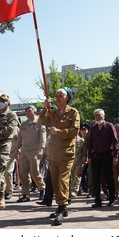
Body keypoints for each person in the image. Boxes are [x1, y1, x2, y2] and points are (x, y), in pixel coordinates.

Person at [38, 87, 80, 226]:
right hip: (53, 153)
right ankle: (63, 206)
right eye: (56, 95)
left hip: (66, 153)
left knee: (63, 180)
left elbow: (74, 131)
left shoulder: (73, 112)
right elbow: (41, 122)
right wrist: (45, 108)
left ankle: (61, 208)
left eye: (61, 95)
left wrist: (59, 132)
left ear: (67, 97)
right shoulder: (52, 113)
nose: (58, 97)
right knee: (55, 181)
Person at [13, 105, 46, 203]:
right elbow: (19, 139)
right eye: (26, 110)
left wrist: (41, 149)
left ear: (35, 111)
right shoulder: (23, 124)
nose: (27, 112)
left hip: (34, 151)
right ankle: (25, 194)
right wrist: (16, 150)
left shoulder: (40, 123)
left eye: (29, 110)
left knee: (34, 172)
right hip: (24, 151)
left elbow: (42, 138)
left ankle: (42, 189)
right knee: (23, 173)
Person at [88, 108, 118, 208]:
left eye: (99, 115)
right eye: (96, 115)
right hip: (96, 156)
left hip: (107, 155)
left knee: (109, 177)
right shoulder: (93, 128)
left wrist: (115, 156)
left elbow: (115, 141)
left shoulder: (110, 126)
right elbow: (90, 143)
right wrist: (89, 157)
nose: (98, 117)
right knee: (96, 179)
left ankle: (112, 198)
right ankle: (98, 200)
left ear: (104, 116)